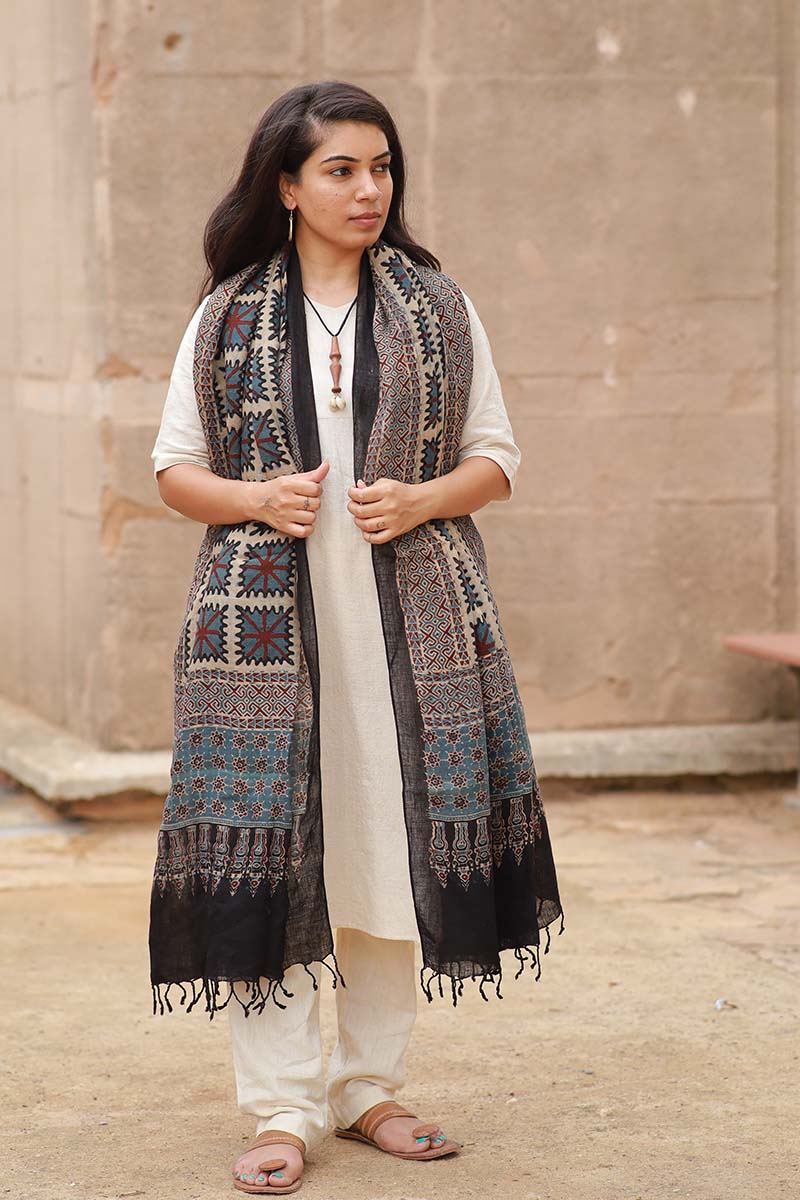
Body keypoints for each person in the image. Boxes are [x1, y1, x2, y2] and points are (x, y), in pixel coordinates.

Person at [148, 80, 565, 1195]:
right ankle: (281, 1105)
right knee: (268, 854)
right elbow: (174, 470)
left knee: (386, 846)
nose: (368, 188)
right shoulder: (227, 314)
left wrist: (425, 499)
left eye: (381, 167)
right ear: (286, 186)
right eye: (340, 169)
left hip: (413, 638)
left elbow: (497, 456)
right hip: (261, 643)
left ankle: (366, 1087)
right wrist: (255, 499)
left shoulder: (437, 305)